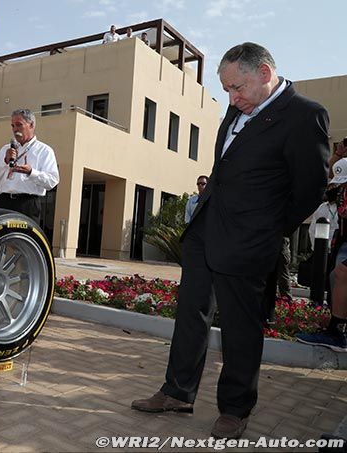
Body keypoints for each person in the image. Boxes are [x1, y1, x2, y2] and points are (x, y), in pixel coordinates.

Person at [131, 42, 330, 439]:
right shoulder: (237, 107)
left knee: (241, 325)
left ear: (265, 74)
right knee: (191, 313)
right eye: (226, 90)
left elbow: (310, 188)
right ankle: (178, 392)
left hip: (250, 238)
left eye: (237, 88)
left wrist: (269, 228)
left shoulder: (305, 115)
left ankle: (236, 409)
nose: (232, 97)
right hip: (208, 228)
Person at [0, 109, 59, 226]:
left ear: (31, 125)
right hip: (4, 203)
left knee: (23, 242)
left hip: (28, 205)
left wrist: (31, 172)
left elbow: (52, 181)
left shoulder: (44, 151)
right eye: (13, 126)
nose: (15, 129)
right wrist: (5, 161)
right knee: (2, 241)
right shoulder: (6, 149)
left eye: (19, 125)